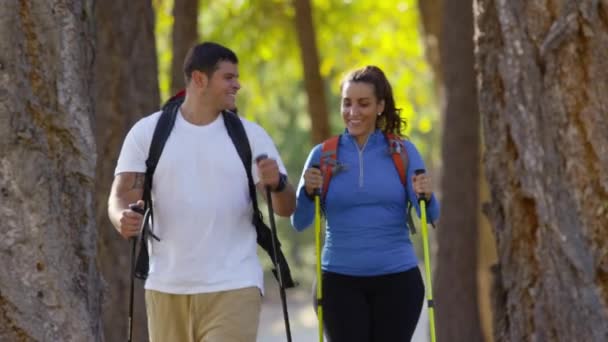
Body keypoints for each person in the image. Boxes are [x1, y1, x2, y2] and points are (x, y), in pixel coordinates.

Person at [108, 42, 296, 342]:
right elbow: (120, 197)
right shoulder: (148, 133)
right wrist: (122, 218)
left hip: (235, 284)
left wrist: (278, 184)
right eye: (228, 77)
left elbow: (285, 208)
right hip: (166, 287)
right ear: (199, 79)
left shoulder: (249, 135)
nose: (238, 84)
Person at [291, 65, 440, 342]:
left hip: (398, 281)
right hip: (338, 281)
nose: (353, 112)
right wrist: (306, 192)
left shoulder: (403, 152)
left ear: (380, 106)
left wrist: (427, 195)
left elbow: (431, 214)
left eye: (363, 104)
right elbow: (299, 222)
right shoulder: (323, 155)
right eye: (347, 103)